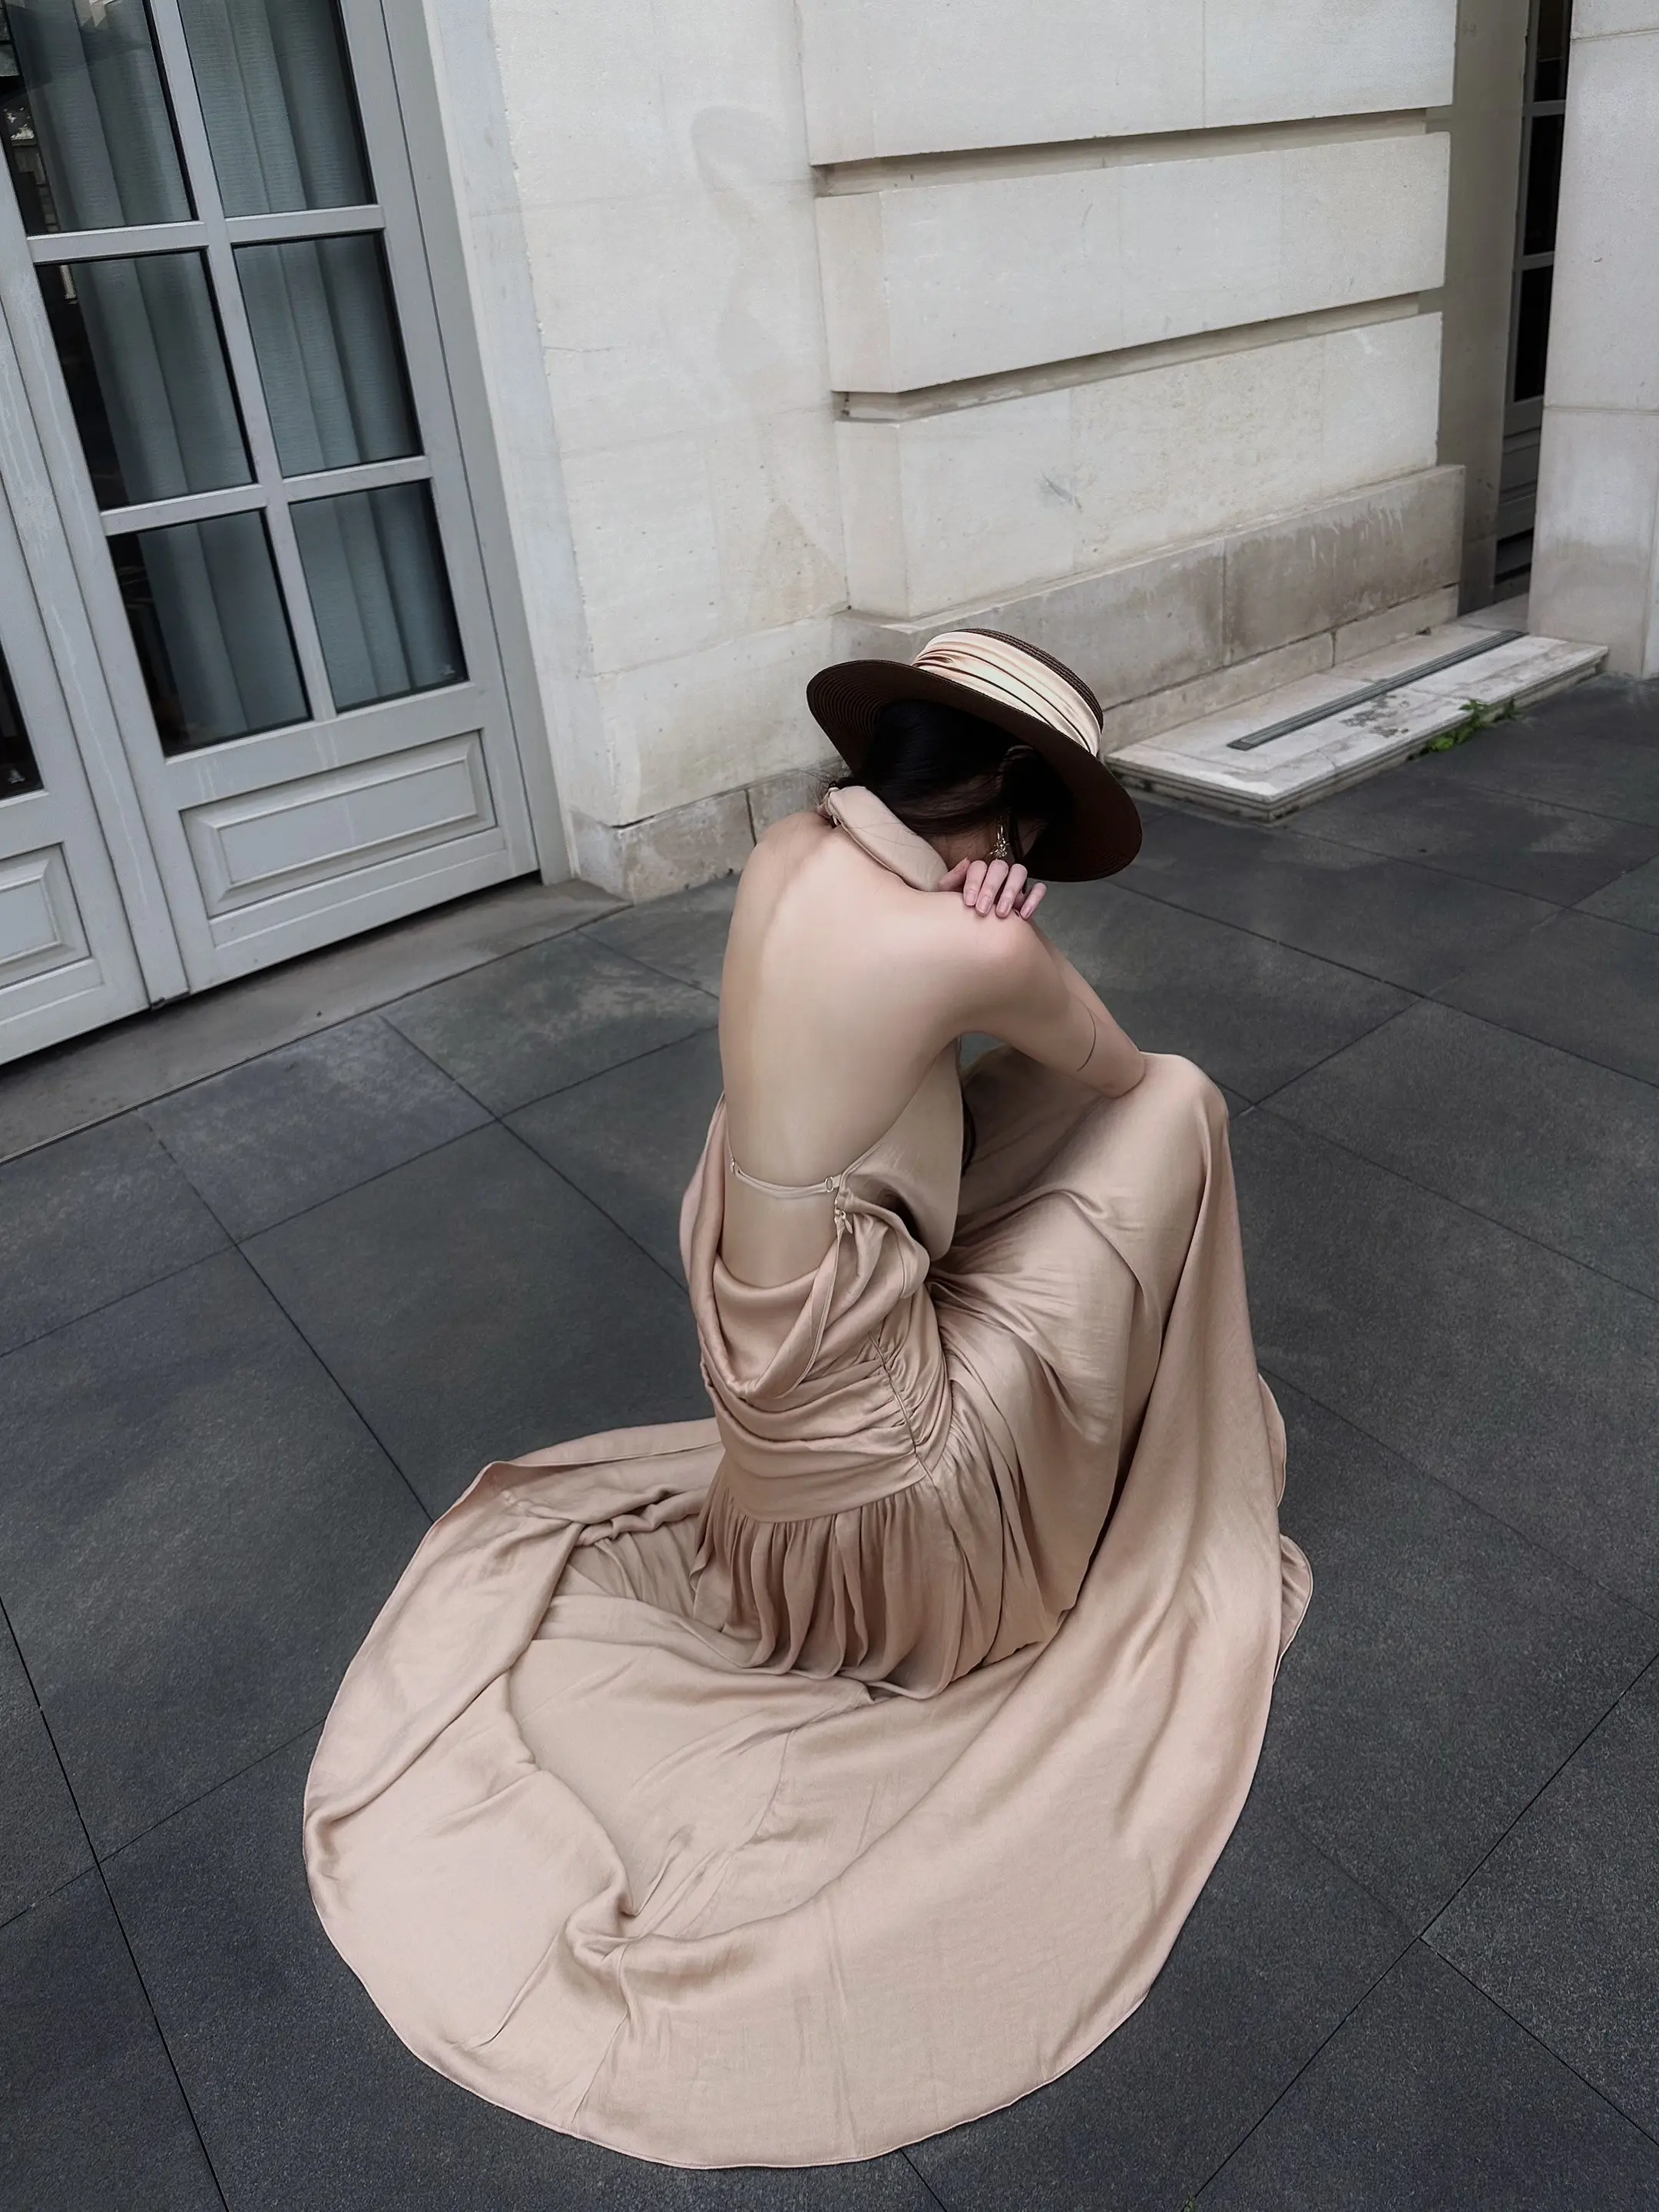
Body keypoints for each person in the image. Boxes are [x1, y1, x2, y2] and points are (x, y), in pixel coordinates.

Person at [305, 629, 1310, 2169]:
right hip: (903, 1497)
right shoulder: (972, 946)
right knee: (1181, 1101)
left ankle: (1070, 1385)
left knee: (1007, 1098)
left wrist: (961, 928)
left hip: (783, 1431)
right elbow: (1110, 1068)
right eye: (1038, 827)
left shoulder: (783, 851)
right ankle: (1169, 1437)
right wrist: (1001, 937)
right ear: (1012, 800)